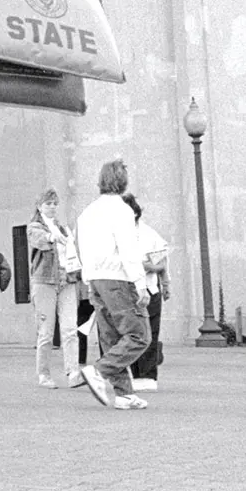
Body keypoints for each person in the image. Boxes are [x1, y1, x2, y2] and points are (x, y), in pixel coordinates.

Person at [74, 158, 152, 410]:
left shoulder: (87, 212)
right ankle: (99, 371)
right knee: (139, 335)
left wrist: (88, 280)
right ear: (123, 181)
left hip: (95, 279)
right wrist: (140, 283)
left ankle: (123, 394)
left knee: (110, 336)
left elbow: (80, 248)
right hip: (118, 277)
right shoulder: (122, 210)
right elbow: (128, 249)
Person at [28, 190, 81, 388]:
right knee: (46, 332)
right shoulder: (34, 226)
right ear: (40, 206)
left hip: (66, 280)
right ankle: (43, 374)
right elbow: (38, 239)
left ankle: (73, 372)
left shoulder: (64, 228)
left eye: (55, 203)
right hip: (44, 282)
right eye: (48, 203)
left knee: (70, 329)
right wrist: (52, 237)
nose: (52, 207)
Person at [125, 194, 167, 390]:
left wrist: (164, 282)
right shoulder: (114, 235)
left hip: (149, 288)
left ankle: (148, 375)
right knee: (131, 333)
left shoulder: (149, 234)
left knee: (150, 332)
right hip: (125, 290)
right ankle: (132, 375)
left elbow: (161, 263)